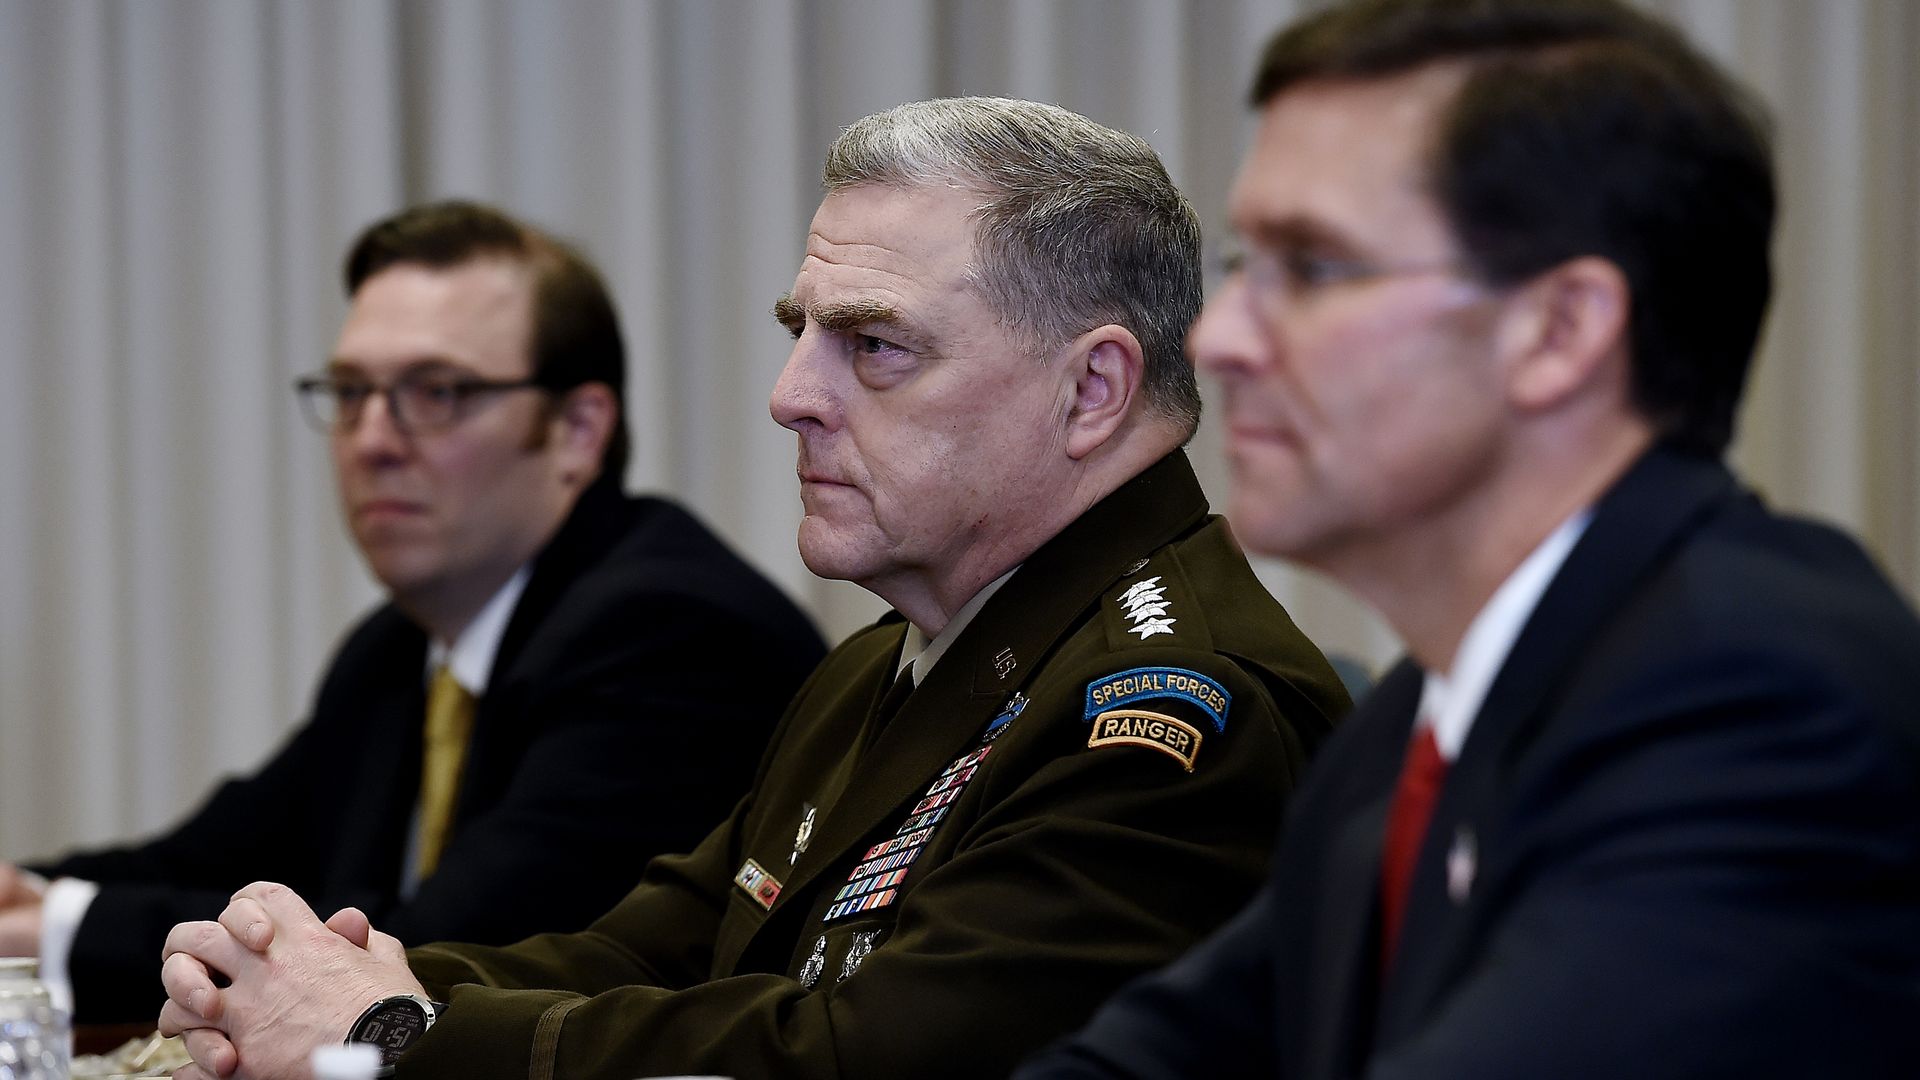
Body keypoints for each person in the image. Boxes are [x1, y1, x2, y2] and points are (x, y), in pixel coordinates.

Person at [153, 97, 1351, 1080]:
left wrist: (394, 1037)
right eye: (800, 332)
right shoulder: (884, 662)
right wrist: (325, 985)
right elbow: (652, 954)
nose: (791, 396)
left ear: (1091, 391)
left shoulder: (1177, 712)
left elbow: (865, 1063)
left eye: (874, 345)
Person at [1015, 1, 1920, 1077]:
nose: (1219, 336)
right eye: (1246, 263)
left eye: (1313, 268)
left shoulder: (1758, 710)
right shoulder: (1419, 724)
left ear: (1559, 332)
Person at [0, 200, 825, 1023]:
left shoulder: (672, 635)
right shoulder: (399, 647)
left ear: (578, 429)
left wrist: (57, 932)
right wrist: (32, 896)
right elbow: (224, 856)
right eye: (351, 391)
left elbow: (443, 955)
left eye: (435, 392)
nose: (371, 440)